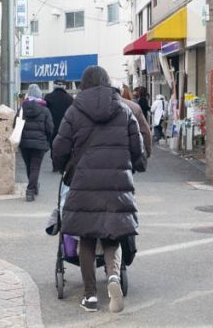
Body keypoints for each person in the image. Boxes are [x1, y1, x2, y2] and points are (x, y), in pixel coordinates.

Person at [51, 65, 145, 313]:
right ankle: (113, 275)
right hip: (117, 184)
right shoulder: (124, 110)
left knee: (87, 237)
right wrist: (137, 165)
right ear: (107, 83)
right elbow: (138, 149)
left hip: (84, 184)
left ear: (84, 85)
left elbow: (60, 147)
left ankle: (90, 295)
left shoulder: (74, 112)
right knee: (112, 236)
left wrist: (60, 165)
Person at [19, 84, 54, 202]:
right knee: (35, 167)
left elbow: (15, 124)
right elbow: (50, 128)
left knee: (29, 166)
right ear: (40, 96)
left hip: (24, 143)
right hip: (39, 143)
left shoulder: (22, 109)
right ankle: (30, 190)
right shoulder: (45, 110)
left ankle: (33, 187)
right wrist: (47, 140)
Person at [44, 82, 74, 170]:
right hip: (66, 125)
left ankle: (55, 164)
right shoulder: (70, 98)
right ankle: (64, 164)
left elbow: (45, 112)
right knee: (65, 144)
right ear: (64, 86)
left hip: (52, 125)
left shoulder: (48, 97)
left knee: (53, 145)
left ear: (54, 86)